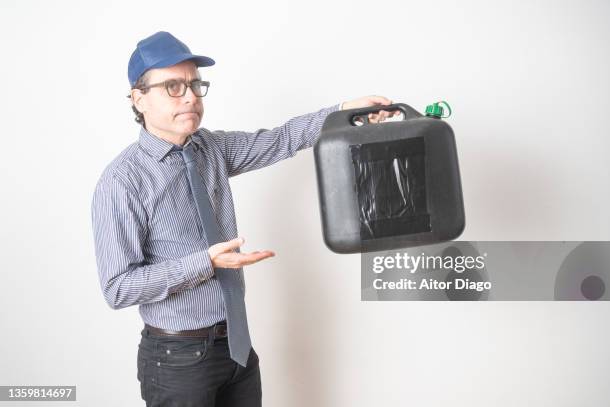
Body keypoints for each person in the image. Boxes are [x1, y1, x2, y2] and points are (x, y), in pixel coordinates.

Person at [90, 31, 398, 407]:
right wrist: (206, 262)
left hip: (237, 350)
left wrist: (345, 111)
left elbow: (284, 139)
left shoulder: (212, 148)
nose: (190, 96)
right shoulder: (122, 182)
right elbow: (118, 287)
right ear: (139, 98)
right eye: (173, 86)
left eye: (194, 85)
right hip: (177, 360)